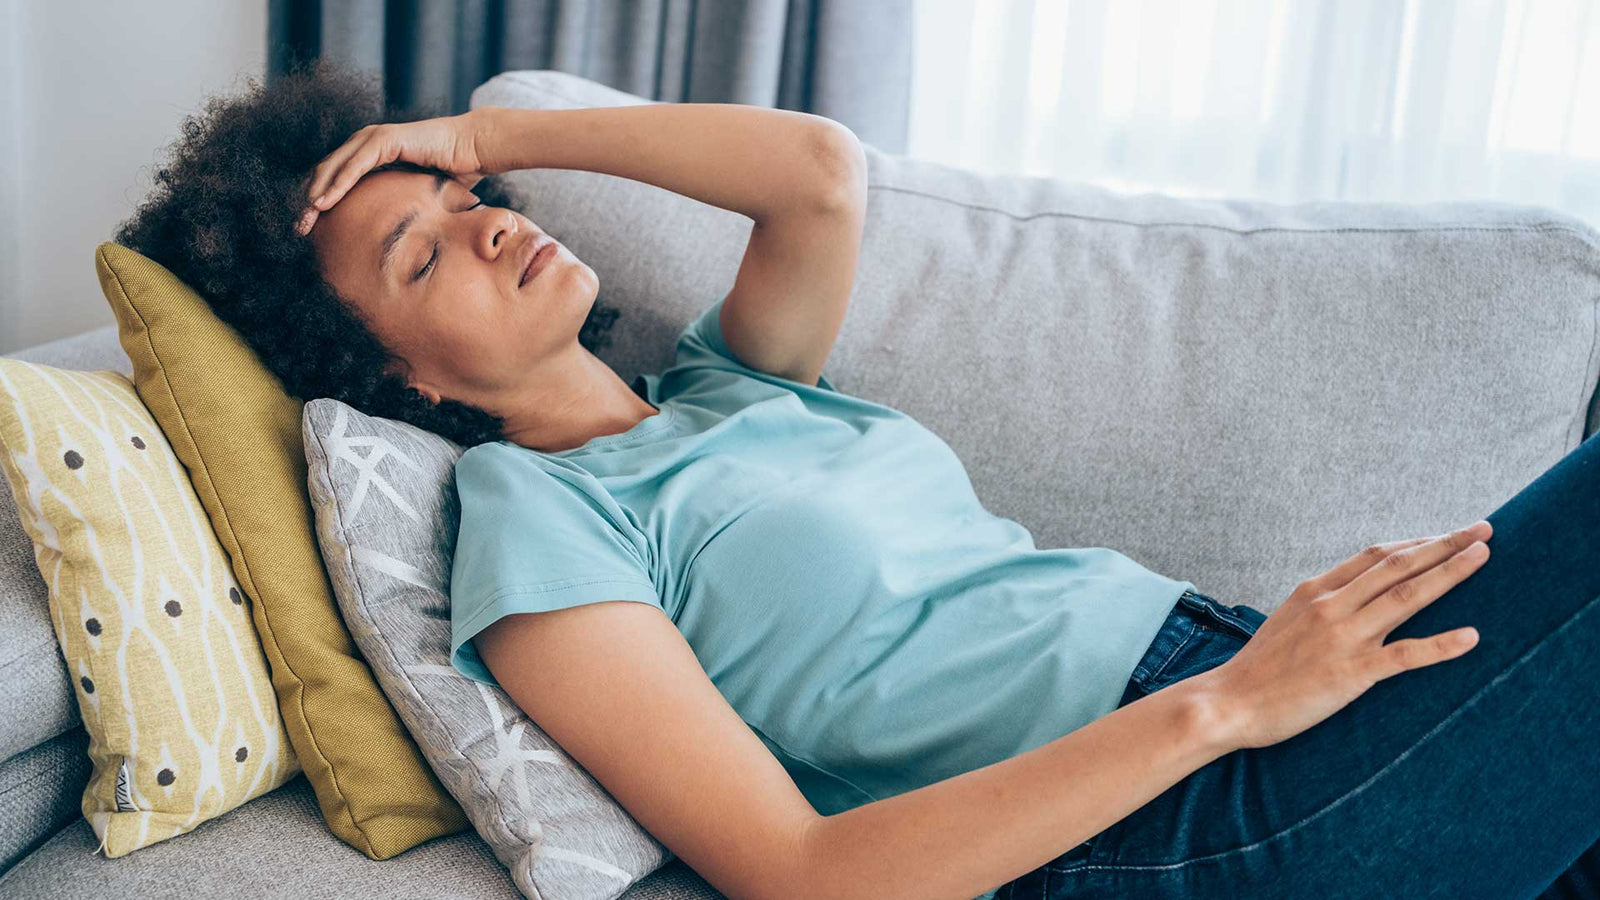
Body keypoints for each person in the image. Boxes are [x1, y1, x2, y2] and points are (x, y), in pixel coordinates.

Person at [116, 59, 1598, 900]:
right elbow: (798, 873)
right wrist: (1226, 708)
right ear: (399, 381)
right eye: (422, 255)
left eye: (466, 196)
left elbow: (818, 175)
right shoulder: (538, 526)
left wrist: (490, 130)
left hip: (1243, 678)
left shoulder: (728, 386)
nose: (491, 221)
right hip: (1172, 821)